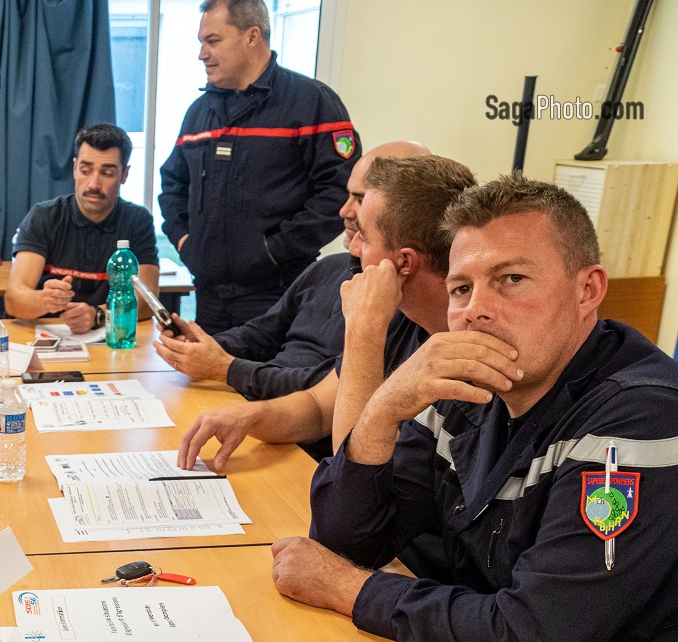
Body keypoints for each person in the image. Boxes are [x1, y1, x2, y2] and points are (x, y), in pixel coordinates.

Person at [272, 174, 678, 642]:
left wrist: (347, 590)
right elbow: (344, 535)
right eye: (462, 289)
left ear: (588, 290)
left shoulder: (643, 419)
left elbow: (527, 641)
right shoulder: (470, 385)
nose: (476, 310)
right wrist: (386, 406)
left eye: (511, 280)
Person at [176, 153, 476, 472]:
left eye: (363, 235)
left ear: (403, 263)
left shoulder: (461, 347)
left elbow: (354, 473)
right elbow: (319, 407)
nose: (353, 248)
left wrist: (364, 329)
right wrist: (252, 415)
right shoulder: (407, 317)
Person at [155, 140, 430, 403]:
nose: (343, 210)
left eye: (359, 199)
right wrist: (200, 344)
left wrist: (226, 369)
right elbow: (261, 334)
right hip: (261, 403)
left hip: (294, 424)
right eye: (347, 196)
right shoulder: (326, 269)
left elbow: (325, 391)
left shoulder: (404, 305)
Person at [159, 0, 359, 336]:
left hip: (280, 294)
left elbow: (339, 192)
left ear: (252, 36)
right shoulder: (199, 112)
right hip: (209, 296)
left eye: (213, 41)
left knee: (270, 385)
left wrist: (274, 251)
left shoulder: (311, 102)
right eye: (201, 43)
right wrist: (185, 244)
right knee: (210, 384)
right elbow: (173, 186)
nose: (202, 54)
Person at [6, 124, 159, 334]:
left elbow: (147, 301)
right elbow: (14, 300)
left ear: (124, 175)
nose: (94, 184)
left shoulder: (137, 221)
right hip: (47, 336)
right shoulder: (44, 216)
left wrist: (97, 315)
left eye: (107, 173)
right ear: (75, 168)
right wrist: (44, 300)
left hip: (110, 337)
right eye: (86, 170)